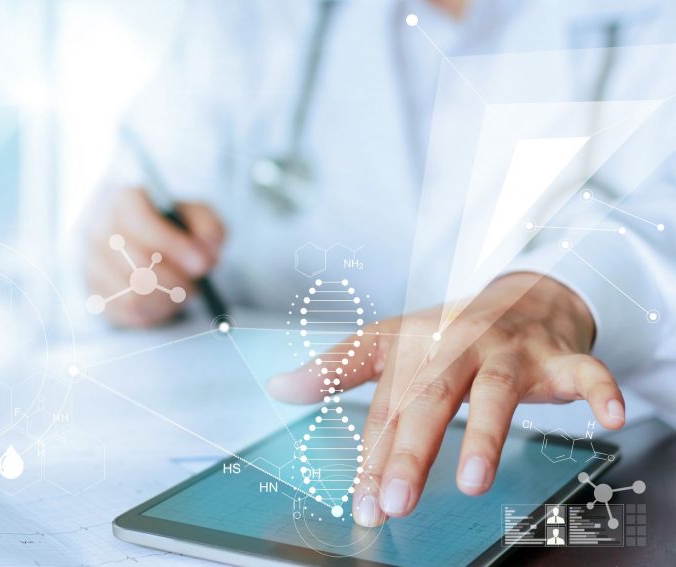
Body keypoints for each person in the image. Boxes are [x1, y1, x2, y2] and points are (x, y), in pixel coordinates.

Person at [83, 0, 676, 527]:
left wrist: (558, 296)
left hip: (594, 477)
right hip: (265, 459)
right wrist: (127, 267)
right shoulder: (253, 17)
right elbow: (136, 207)